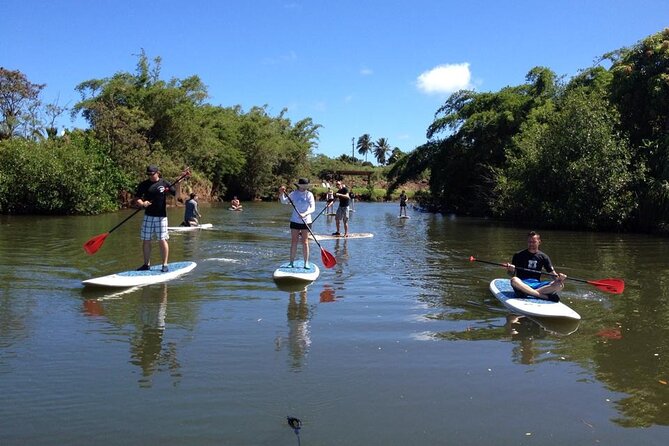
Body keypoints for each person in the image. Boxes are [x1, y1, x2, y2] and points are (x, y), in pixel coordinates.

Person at [133, 165, 176, 272]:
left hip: (161, 216)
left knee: (162, 239)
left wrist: (174, 186)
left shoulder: (164, 183)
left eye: (152, 174)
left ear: (158, 173)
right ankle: (146, 264)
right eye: (148, 174)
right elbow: (137, 198)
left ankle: (164, 265)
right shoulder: (144, 184)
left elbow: (175, 193)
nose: (150, 176)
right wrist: (142, 203)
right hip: (148, 216)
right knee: (146, 240)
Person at [506, 231, 566, 302]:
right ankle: (543, 296)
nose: (531, 244)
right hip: (522, 284)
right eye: (529, 242)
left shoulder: (544, 257)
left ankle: (528, 293)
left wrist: (560, 278)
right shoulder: (518, 255)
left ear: (539, 242)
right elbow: (511, 274)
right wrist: (511, 270)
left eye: (534, 242)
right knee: (514, 280)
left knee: (560, 285)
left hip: (537, 285)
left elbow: (553, 275)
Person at [279, 178, 316, 268]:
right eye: (303, 186)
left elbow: (313, 208)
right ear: (299, 186)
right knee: (294, 241)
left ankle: (306, 263)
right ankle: (291, 262)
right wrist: (281, 193)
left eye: (306, 186)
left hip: (306, 221)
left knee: (305, 242)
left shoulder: (309, 194)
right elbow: (284, 201)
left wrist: (305, 214)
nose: (305, 188)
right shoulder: (293, 194)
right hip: (295, 220)